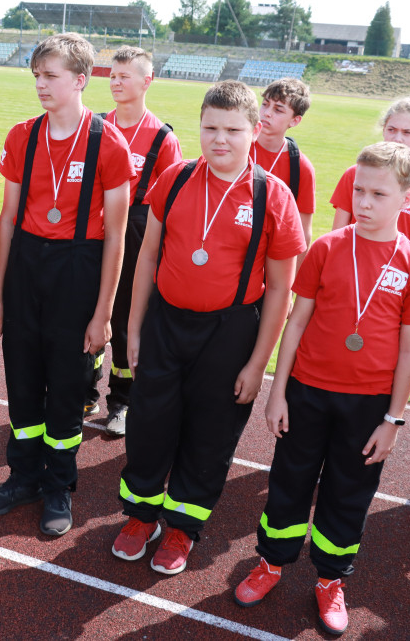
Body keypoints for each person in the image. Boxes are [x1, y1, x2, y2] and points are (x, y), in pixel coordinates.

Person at [234, 142, 410, 635]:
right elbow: (296, 322)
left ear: (407, 199)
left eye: (378, 194)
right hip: (307, 391)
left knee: (348, 494)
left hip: (368, 407)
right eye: (358, 191)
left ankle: (330, 580)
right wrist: (277, 391)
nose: (364, 203)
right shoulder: (326, 246)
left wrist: (393, 420)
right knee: (289, 482)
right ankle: (271, 563)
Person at [112, 81, 304, 574]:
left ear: (255, 130)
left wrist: (257, 363)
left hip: (230, 331)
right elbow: (148, 256)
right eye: (210, 128)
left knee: (210, 434)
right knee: (150, 425)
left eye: (233, 130)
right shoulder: (174, 178)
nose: (220, 139)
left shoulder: (273, 196)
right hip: (166, 324)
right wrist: (134, 329)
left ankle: (182, 527)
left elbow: (282, 288)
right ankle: (141, 515)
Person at [0, 33, 134, 537]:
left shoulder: (108, 141)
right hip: (26, 266)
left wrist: (103, 313)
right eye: (37, 76)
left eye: (52, 75)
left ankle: (58, 486)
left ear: (81, 80)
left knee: (66, 390)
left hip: (78, 268)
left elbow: (117, 236)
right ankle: (22, 475)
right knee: (22, 380)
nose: (41, 84)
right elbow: (7, 219)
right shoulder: (24, 135)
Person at [90, 45, 182, 436]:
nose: (115, 81)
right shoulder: (94, 125)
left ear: (148, 81)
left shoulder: (162, 137)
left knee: (127, 320)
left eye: (125, 76)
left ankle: (123, 402)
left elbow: (171, 202)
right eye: (112, 75)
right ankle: (83, 391)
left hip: (138, 229)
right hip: (93, 229)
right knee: (86, 311)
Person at [330, 96, 410, 255]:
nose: (397, 138)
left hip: (395, 273)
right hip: (353, 263)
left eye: (407, 132)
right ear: (383, 129)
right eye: (392, 129)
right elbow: (336, 235)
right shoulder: (354, 174)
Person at [254, 77, 317, 255]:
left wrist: (293, 281)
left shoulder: (301, 167)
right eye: (265, 104)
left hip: (272, 258)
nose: (266, 113)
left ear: (294, 121)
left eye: (278, 110)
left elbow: (303, 232)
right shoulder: (238, 147)